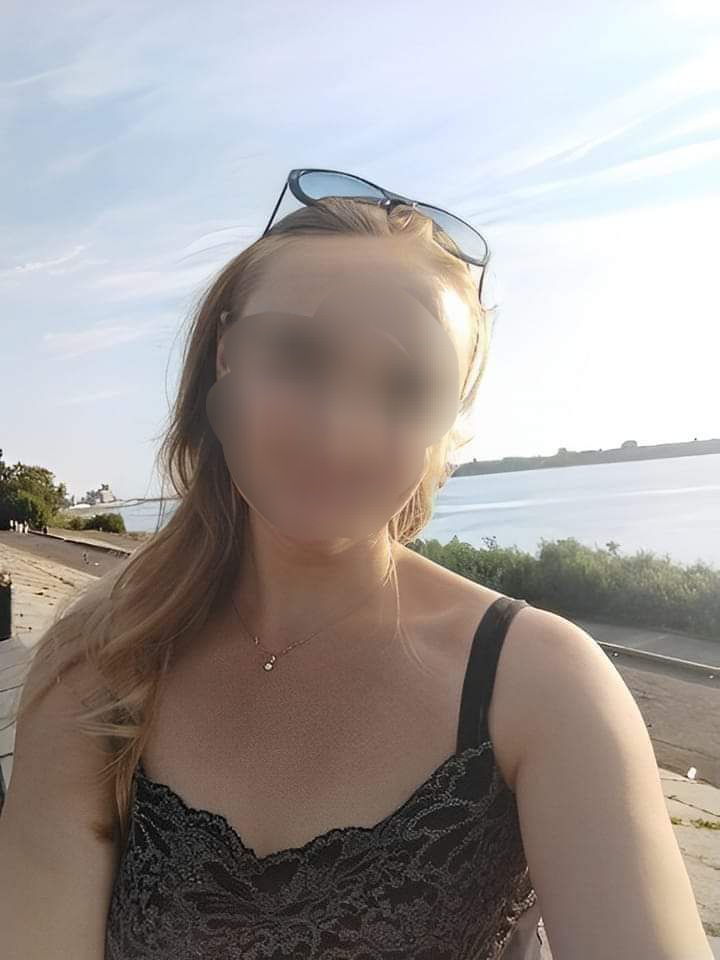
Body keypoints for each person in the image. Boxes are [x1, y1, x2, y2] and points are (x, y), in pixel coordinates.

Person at [0, 170, 711, 960]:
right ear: (227, 357)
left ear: (445, 425)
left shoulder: (541, 687)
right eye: (298, 355)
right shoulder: (98, 667)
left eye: (406, 387)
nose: (339, 430)